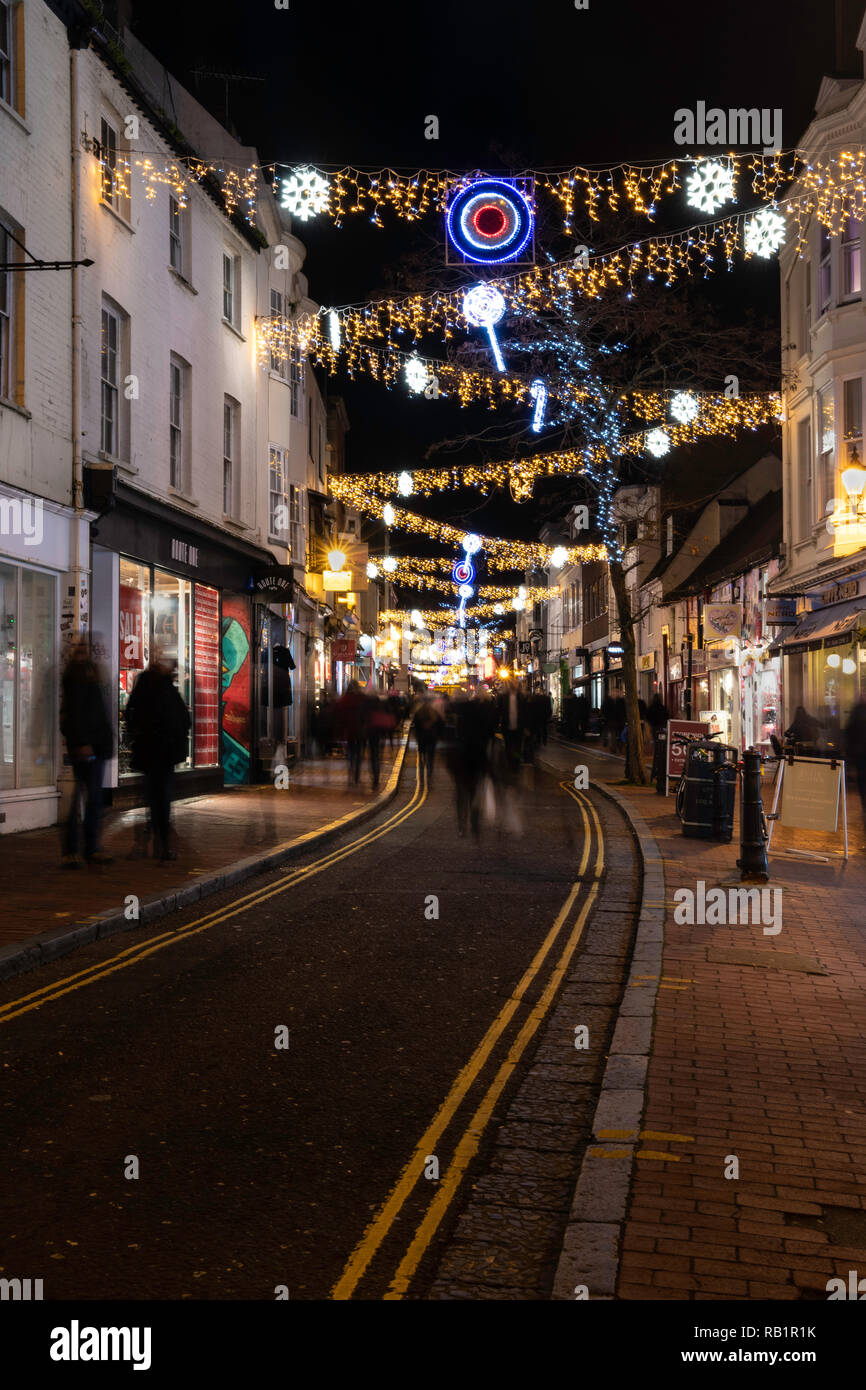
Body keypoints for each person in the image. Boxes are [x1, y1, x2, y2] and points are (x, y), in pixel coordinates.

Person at [124, 650, 191, 860]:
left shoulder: (149, 684)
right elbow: (183, 719)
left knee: (155, 796)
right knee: (160, 797)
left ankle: (152, 839)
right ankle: (160, 842)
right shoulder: (163, 687)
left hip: (152, 750)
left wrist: (137, 733)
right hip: (160, 751)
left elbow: (130, 713)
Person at [60, 637, 114, 867]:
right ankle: (77, 850)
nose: (85, 652)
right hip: (86, 748)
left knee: (92, 800)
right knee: (83, 800)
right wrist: (82, 743)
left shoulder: (89, 675)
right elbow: (73, 715)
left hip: (96, 747)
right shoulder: (76, 677)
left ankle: (88, 848)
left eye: (87, 648)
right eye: (80, 648)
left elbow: (95, 713)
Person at [448, 685, 497, 837]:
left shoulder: (460, 712)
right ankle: (474, 823)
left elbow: (452, 734)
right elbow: (489, 733)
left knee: (461, 792)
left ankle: (462, 824)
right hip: (477, 756)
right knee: (474, 791)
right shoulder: (482, 713)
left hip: (461, 756)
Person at [333, 680, 368, 785]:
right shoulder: (362, 698)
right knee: (358, 754)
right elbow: (367, 715)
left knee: (350, 753)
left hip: (349, 731)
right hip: (360, 731)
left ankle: (350, 773)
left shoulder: (344, 699)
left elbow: (339, 716)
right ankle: (356, 776)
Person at [412, 694, 444, 787]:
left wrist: (417, 736)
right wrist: (438, 735)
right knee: (431, 759)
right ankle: (429, 777)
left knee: (422, 758)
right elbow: (441, 724)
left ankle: (421, 779)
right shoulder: (434, 712)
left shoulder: (419, 712)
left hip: (422, 738)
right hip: (432, 738)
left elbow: (415, 726)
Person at [844, 695, 866, 826]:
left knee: (862, 780)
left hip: (859, 754)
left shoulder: (855, 715)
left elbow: (848, 734)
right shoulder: (857, 714)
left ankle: (864, 805)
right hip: (860, 753)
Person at [366, 692, 395, 790]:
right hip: (380, 736)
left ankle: (374, 775)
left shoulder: (369, 711)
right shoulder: (382, 709)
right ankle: (376, 777)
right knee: (378, 756)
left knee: (373, 756)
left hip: (371, 736)